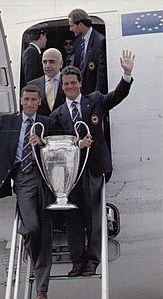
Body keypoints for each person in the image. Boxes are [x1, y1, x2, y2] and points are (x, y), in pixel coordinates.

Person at [50, 50, 135, 277]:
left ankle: (93, 261)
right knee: (73, 217)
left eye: (73, 83)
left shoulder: (95, 100)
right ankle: (77, 261)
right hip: (70, 173)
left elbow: (116, 96)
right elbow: (56, 143)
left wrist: (126, 75)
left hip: (94, 168)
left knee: (94, 215)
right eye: (66, 84)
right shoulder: (58, 114)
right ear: (62, 87)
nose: (69, 87)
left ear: (80, 84)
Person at [0, 81, 55, 299]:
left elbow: (62, 143)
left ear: (39, 103)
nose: (29, 103)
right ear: (21, 101)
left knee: (45, 233)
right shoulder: (8, 121)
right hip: (24, 178)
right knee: (32, 227)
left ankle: (41, 290)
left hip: (47, 180)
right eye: (26, 99)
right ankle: (26, 235)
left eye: (33, 100)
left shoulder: (48, 122)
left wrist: (44, 141)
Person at [68, 8, 108, 94]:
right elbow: (76, 67)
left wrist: (97, 97)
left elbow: (101, 74)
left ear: (81, 25)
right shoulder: (78, 41)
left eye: (72, 26)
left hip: (93, 94)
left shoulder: (99, 41)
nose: (70, 29)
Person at [29, 48, 65, 116]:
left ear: (61, 64)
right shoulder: (32, 85)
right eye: (44, 62)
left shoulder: (70, 84)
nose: (47, 66)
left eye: (51, 61)